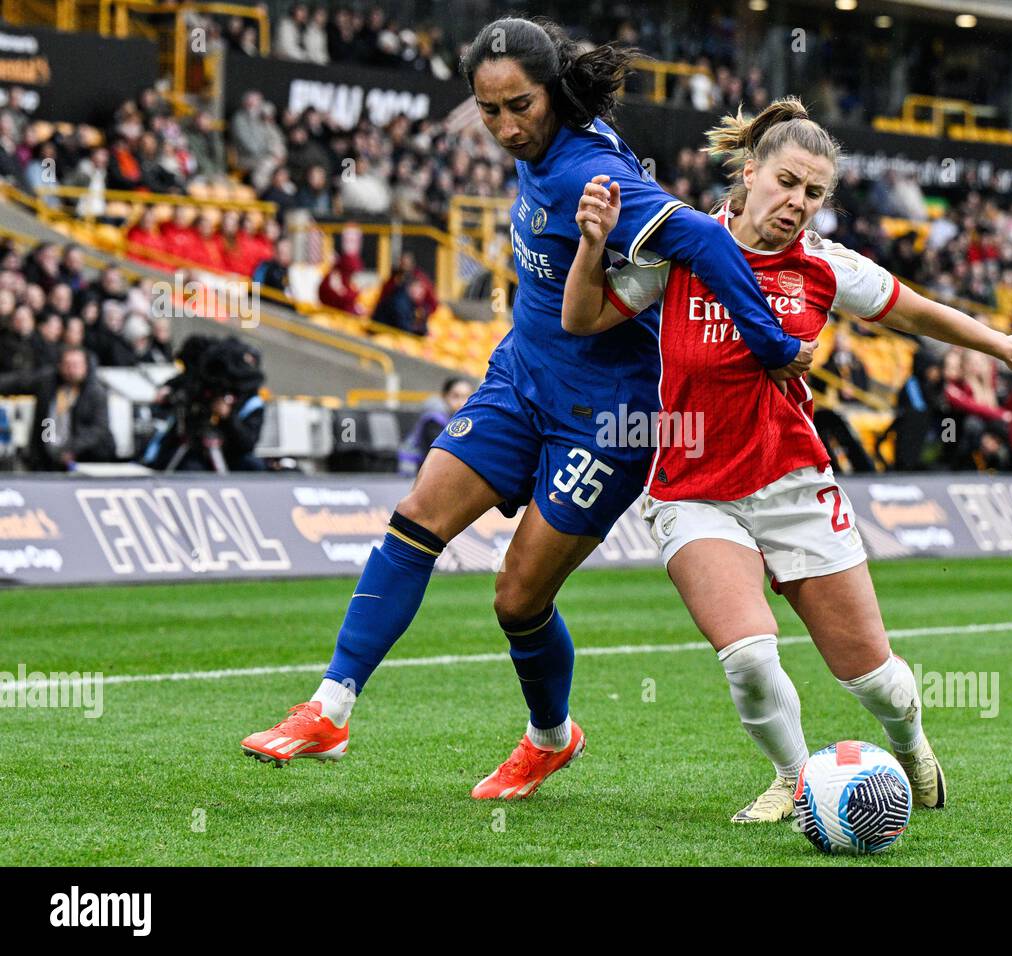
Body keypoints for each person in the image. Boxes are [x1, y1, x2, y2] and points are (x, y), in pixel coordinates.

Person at [239, 18, 812, 801]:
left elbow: (705, 245)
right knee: (415, 520)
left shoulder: (585, 170)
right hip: (520, 379)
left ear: (551, 95)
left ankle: (550, 738)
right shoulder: (548, 147)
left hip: (607, 417)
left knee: (518, 598)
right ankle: (330, 708)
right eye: (490, 109)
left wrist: (772, 345)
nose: (507, 126)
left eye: (520, 106)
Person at [560, 98, 1012, 820]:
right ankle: (798, 781)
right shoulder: (683, 248)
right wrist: (591, 243)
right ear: (749, 171)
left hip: (794, 483)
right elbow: (581, 318)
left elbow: (914, 310)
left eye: (814, 193)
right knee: (748, 656)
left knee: (874, 680)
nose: (798, 203)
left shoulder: (825, 267)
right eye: (787, 182)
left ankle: (914, 747)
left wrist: (1003, 344)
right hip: (692, 487)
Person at [0, 346, 115, 470]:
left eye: (76, 365)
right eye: (67, 365)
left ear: (86, 366)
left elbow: (97, 429)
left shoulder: (96, 392)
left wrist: (70, 449)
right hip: (47, 456)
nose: (71, 370)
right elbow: (18, 382)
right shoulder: (47, 381)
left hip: (86, 458)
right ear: (60, 366)